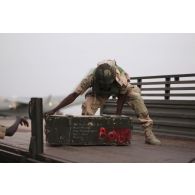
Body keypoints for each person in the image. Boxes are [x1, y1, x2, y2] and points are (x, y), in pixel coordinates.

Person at [45, 59, 161, 145]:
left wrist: (117, 116)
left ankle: (148, 134)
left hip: (121, 89)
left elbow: (122, 94)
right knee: (87, 106)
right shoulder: (90, 77)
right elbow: (73, 95)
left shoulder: (120, 76)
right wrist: (55, 110)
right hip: (100, 92)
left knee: (136, 97)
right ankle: (86, 134)